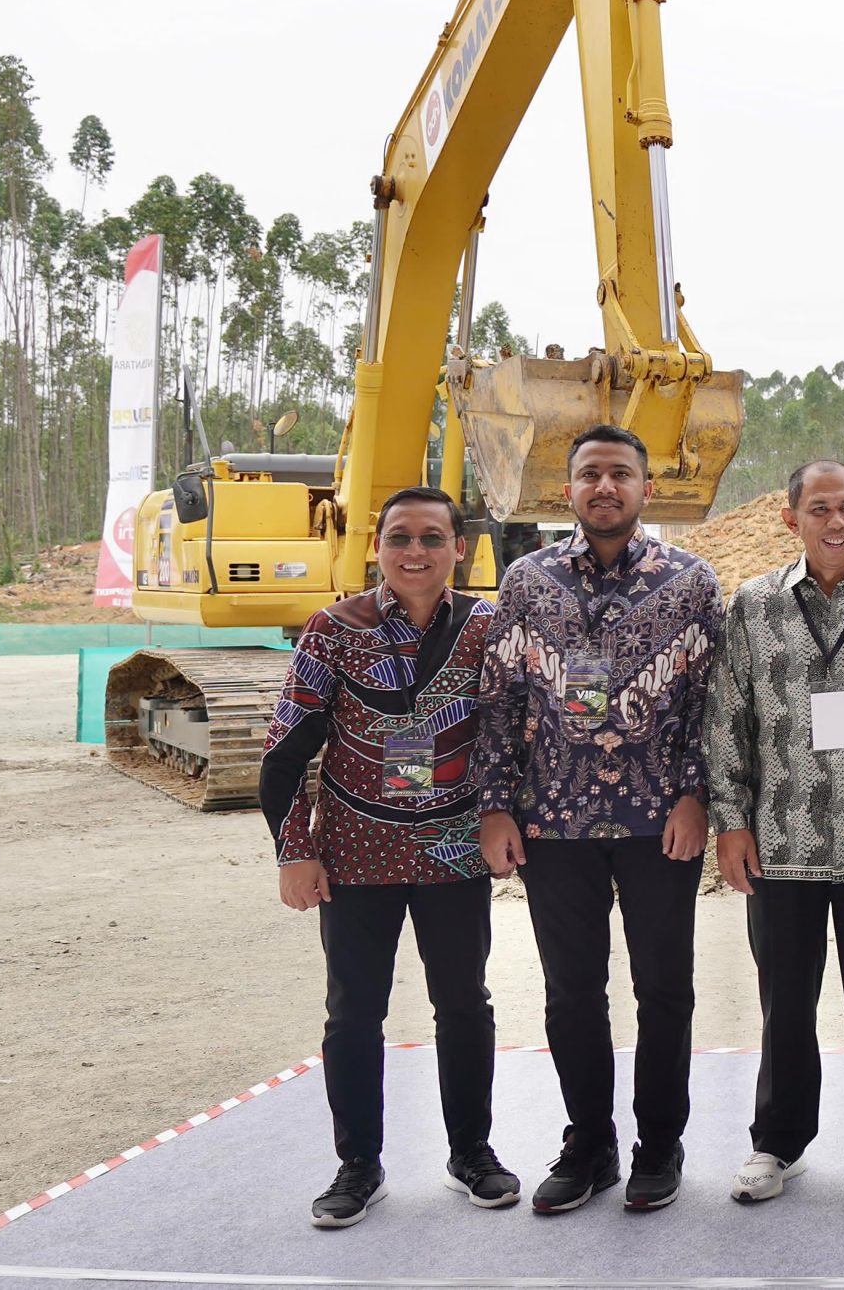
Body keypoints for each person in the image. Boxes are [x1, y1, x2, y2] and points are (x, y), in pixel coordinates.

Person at [478, 425, 723, 1215]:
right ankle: (590, 1143)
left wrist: (696, 795)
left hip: (661, 822)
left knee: (665, 989)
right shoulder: (526, 580)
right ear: (568, 490)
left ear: (647, 489)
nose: (605, 486)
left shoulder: (692, 581)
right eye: (590, 474)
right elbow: (501, 698)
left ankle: (660, 1143)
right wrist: (494, 806)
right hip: (554, 822)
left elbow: (711, 703)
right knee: (571, 992)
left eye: (621, 472)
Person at [262, 484, 518, 1229]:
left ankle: (472, 1152)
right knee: (353, 1012)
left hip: (453, 850)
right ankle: (358, 1163)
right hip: (354, 854)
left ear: (458, 549)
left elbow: (512, 735)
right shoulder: (332, 630)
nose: (416, 551)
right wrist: (294, 852)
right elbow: (285, 753)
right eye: (400, 536)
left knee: (465, 1005)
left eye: (432, 537)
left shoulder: (489, 627)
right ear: (377, 545)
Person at [704, 460, 844, 1205]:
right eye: (819, 509)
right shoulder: (752, 607)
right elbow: (727, 721)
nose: (835, 522)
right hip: (781, 840)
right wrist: (732, 823)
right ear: (789, 517)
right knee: (786, 1000)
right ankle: (777, 1142)